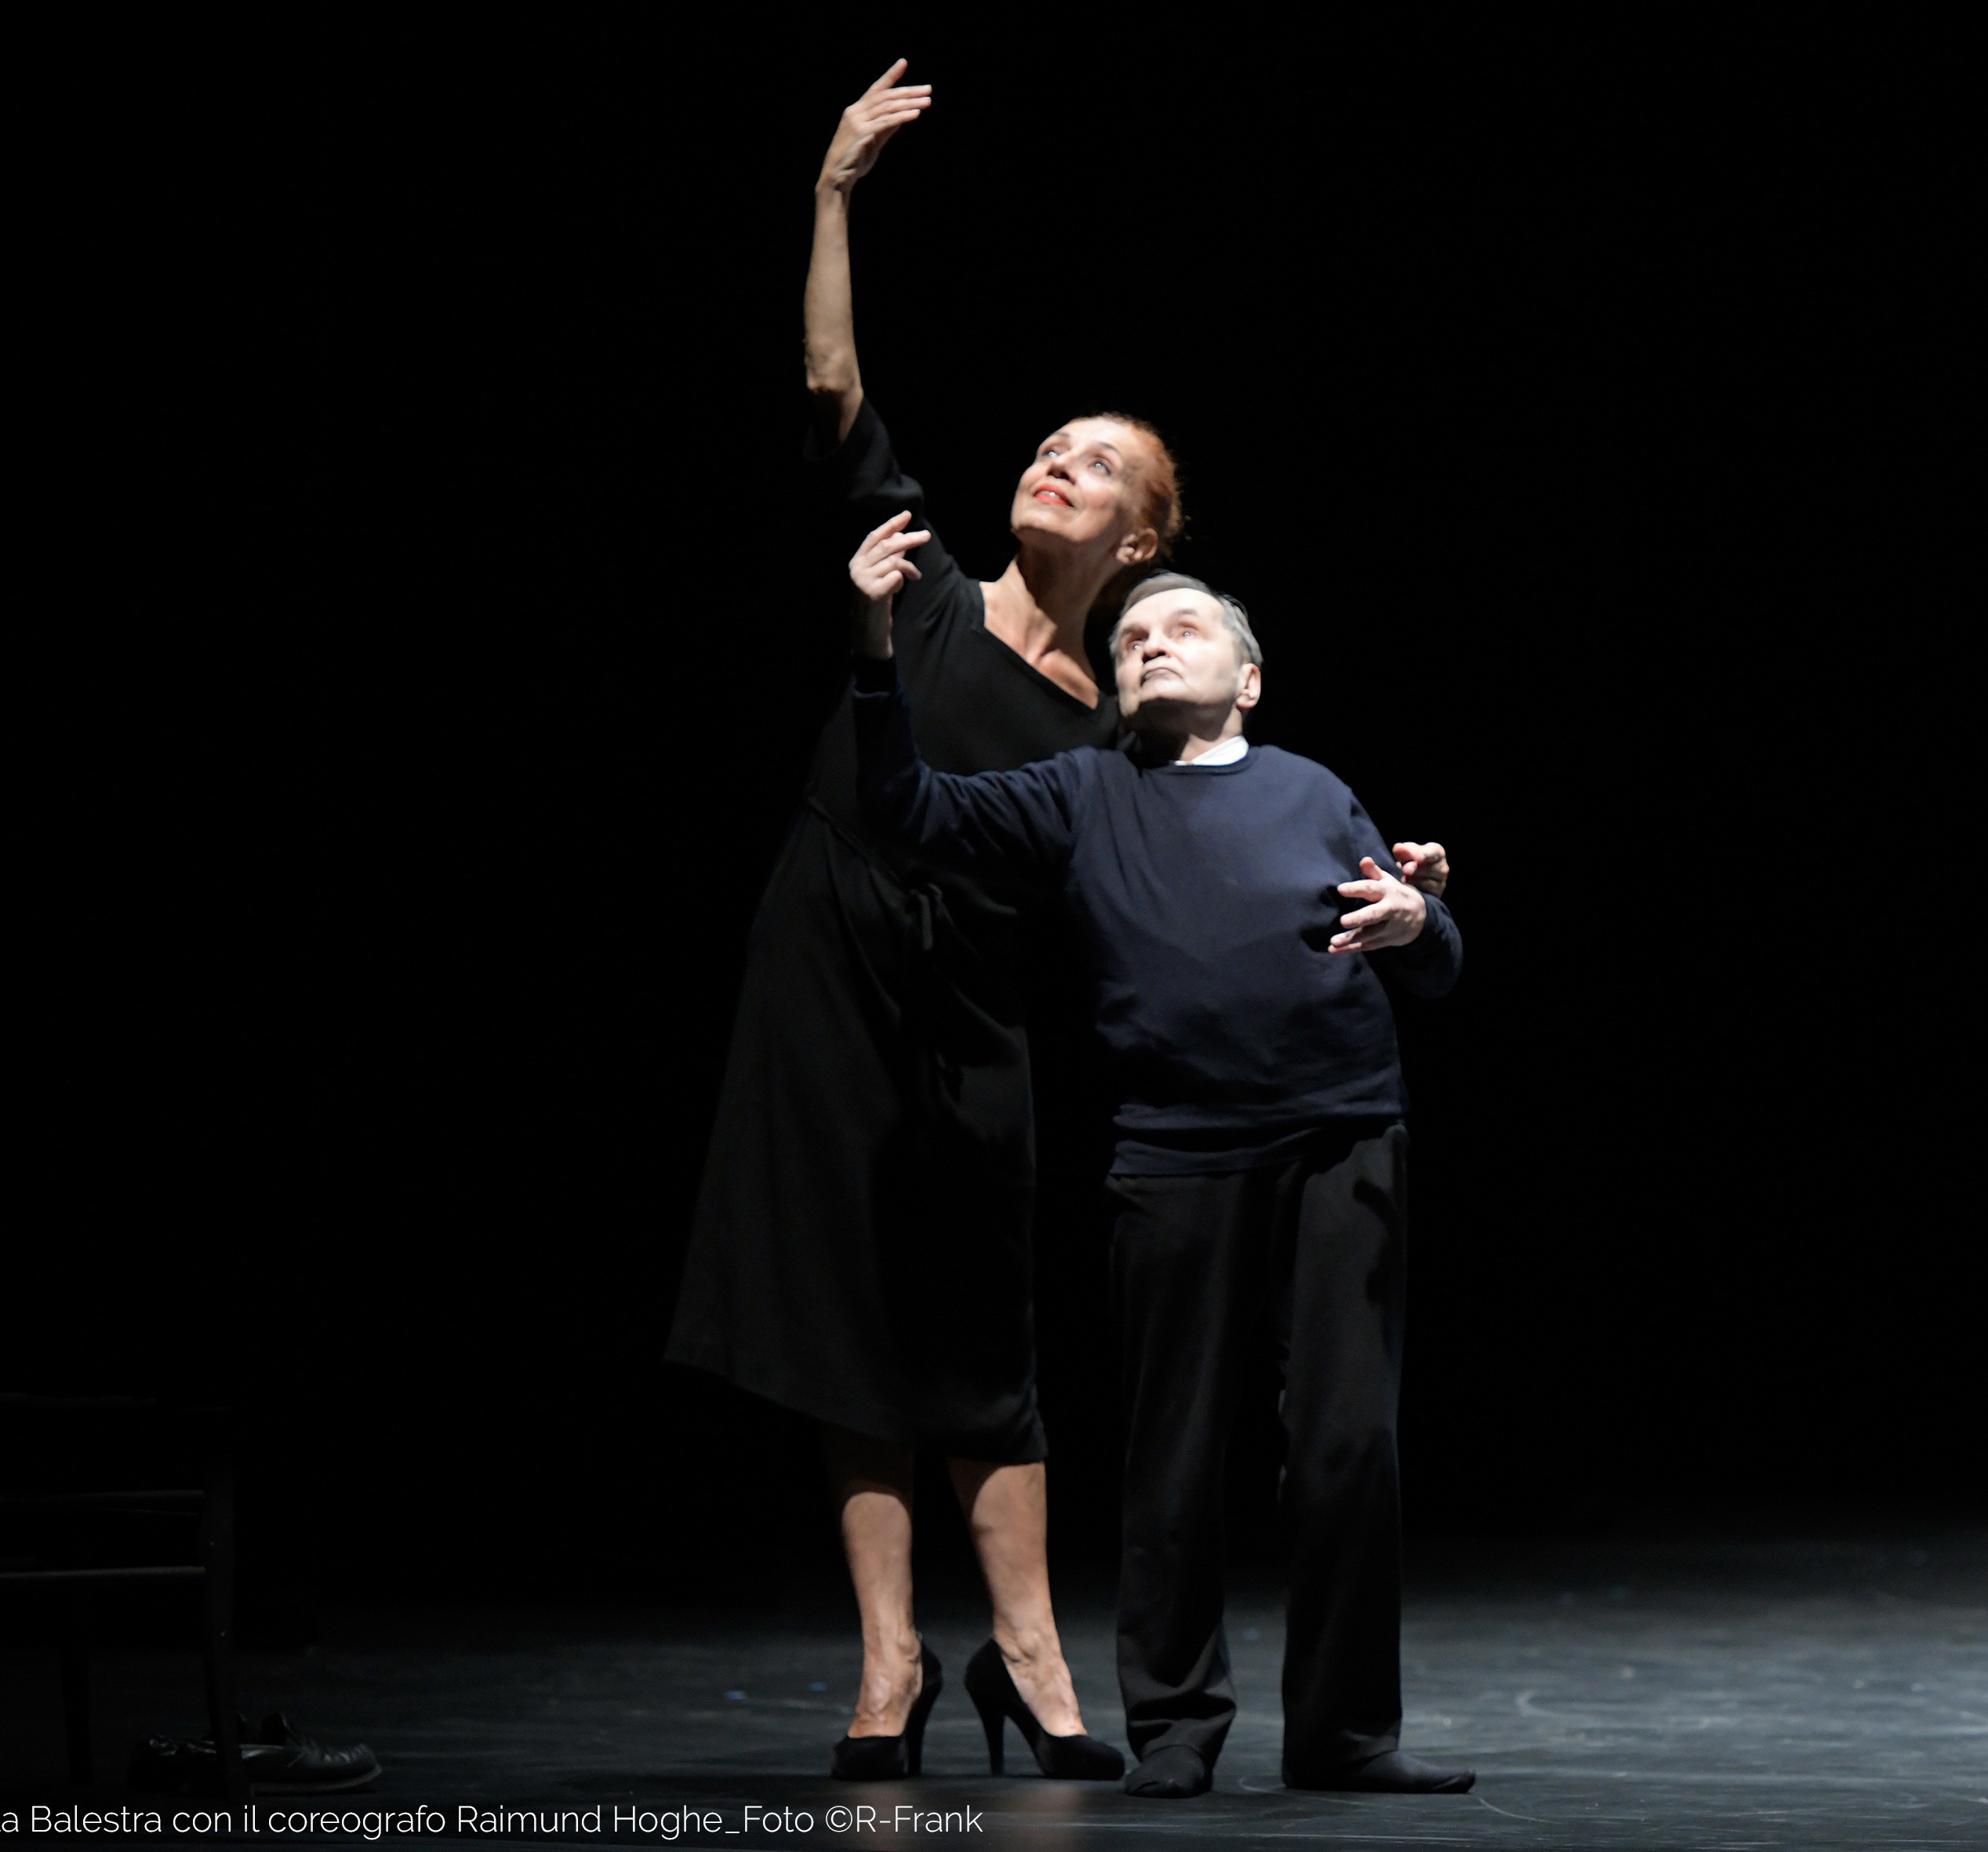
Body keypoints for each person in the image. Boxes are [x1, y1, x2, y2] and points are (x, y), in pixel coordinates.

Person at [661, 64, 1449, 1781]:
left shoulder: (1132, 721)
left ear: (1143, 531)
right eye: (1044, 443)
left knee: (979, 1316)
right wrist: (831, 192)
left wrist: (1397, 903)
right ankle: (889, 1662)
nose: (1050, 461)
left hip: (979, 998)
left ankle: (1026, 1651)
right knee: (833, 1303)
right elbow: (829, 379)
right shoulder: (921, 585)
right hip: (831, 952)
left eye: (1091, 464)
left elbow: (1236, 842)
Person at [844, 539, 1477, 1801]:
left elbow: (1430, 957)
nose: (1145, 641)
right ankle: (1177, 1725)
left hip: (1341, 1137)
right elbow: (904, 808)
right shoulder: (1082, 792)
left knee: (1349, 1444)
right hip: (1180, 1155)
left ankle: (1346, 1732)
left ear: (1249, 678)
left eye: (1178, 627)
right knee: (1175, 1451)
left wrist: (1424, 921)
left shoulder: (1313, 786)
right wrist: (875, 652)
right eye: (1130, 637)